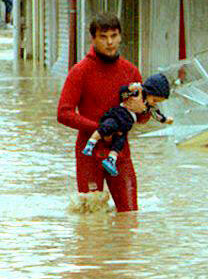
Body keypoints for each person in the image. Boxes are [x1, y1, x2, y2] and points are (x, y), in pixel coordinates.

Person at [57, 13, 146, 212]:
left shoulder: (130, 71)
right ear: (93, 39)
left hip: (120, 153)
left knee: (130, 215)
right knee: (91, 218)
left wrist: (144, 109)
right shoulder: (80, 71)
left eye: (114, 36)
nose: (109, 42)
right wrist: (100, 129)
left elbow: (142, 118)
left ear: (120, 36)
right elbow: (63, 113)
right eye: (103, 37)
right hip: (89, 154)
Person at [82, 74, 173, 176]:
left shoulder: (149, 106)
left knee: (119, 142)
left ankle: (111, 159)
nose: (154, 103)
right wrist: (129, 89)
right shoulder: (136, 92)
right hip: (119, 114)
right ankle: (91, 143)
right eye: (154, 100)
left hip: (127, 123)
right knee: (107, 127)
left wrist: (165, 120)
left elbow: (157, 115)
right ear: (148, 91)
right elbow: (122, 94)